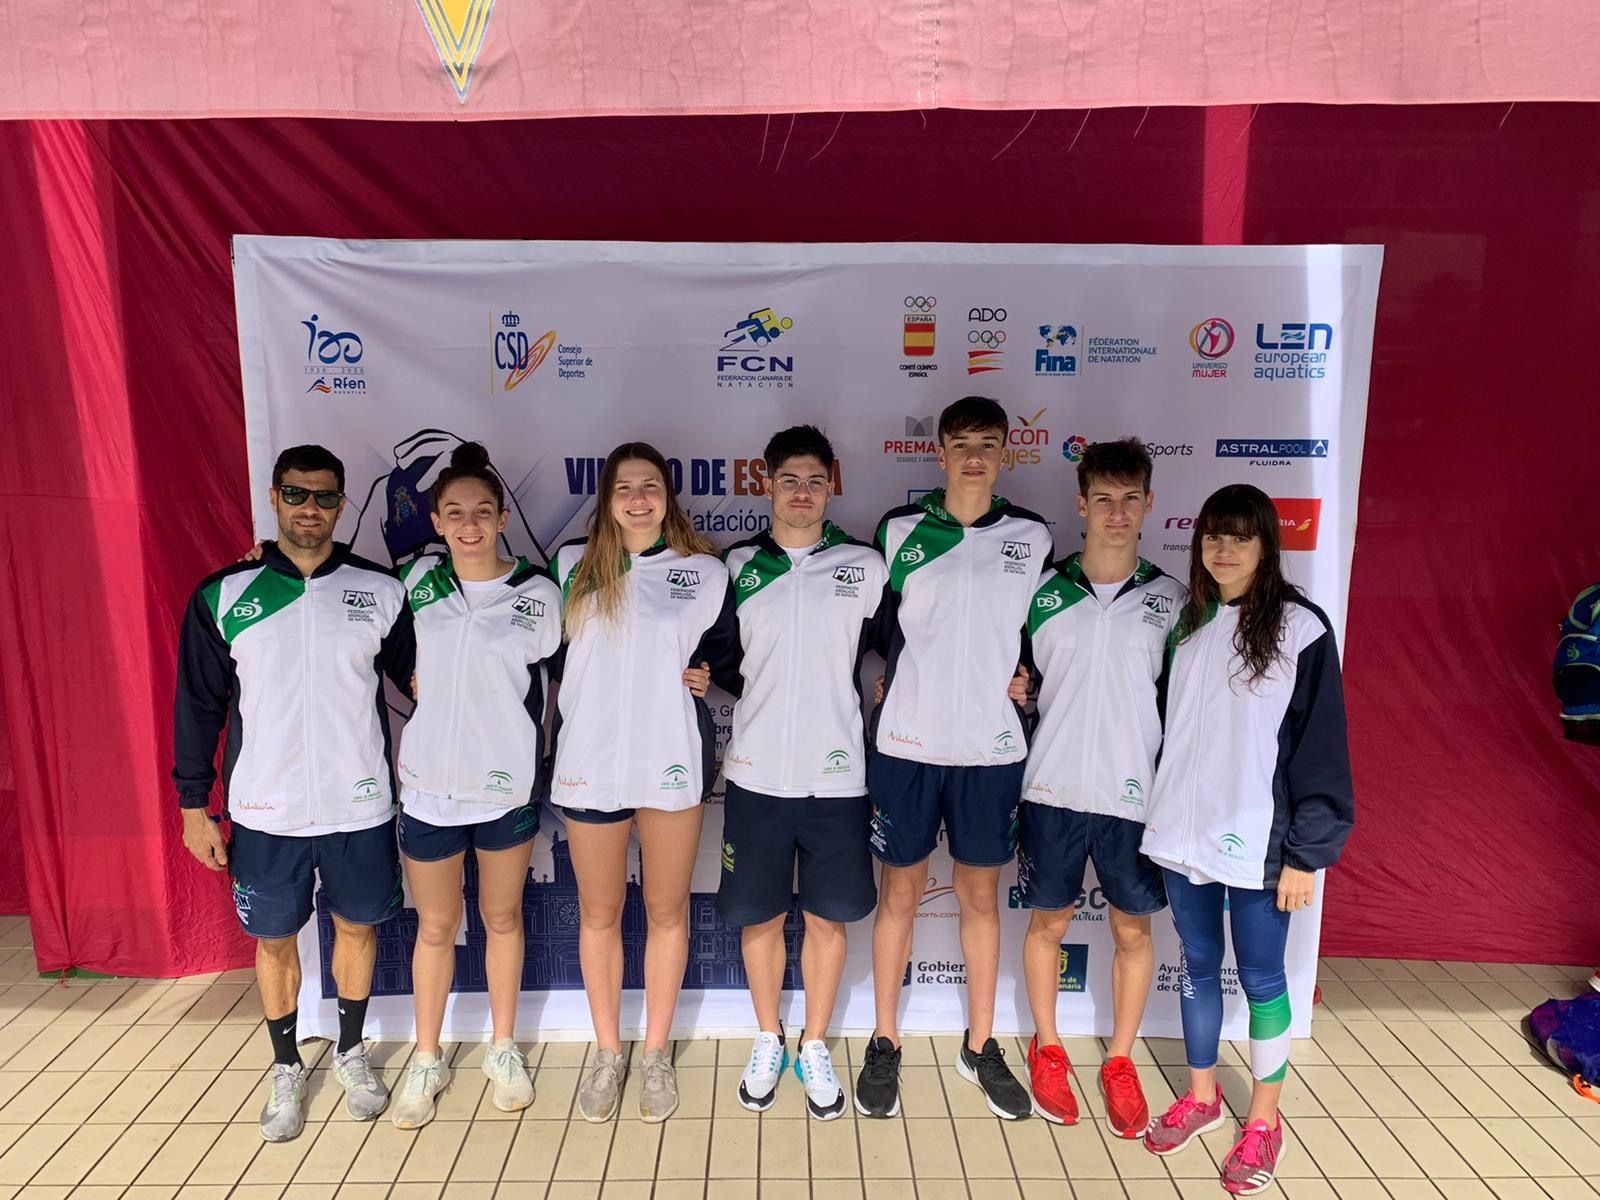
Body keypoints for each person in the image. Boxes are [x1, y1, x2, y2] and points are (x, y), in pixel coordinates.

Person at [174, 444, 415, 1142]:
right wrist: (195, 806)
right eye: (296, 494)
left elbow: (427, 681)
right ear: (275, 498)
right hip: (265, 809)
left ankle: (350, 1052)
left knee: (357, 928)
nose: (310, 508)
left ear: (342, 506)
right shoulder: (223, 594)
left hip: (359, 804)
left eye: (324, 497)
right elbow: (197, 707)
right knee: (275, 938)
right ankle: (286, 1065)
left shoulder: (381, 590)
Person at [1139, 484, 1355, 1195]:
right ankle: (1204, 1096)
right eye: (1211, 536)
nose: (1223, 550)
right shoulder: (1189, 621)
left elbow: (1322, 751)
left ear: (1267, 545)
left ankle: (1263, 1123)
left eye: (1239, 537)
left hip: (1262, 844)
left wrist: (1306, 853)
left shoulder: (1302, 629)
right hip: (1183, 834)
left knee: (1262, 980)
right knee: (1198, 966)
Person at [855, 396, 1053, 1121]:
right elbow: (869, 627)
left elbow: (1041, 632)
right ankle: (885, 1040)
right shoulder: (899, 531)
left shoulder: (1032, 537)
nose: (974, 456)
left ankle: (980, 1042)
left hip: (990, 749)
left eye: (988, 444)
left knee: (978, 898)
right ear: (938, 454)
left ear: (1007, 453)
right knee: (898, 896)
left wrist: (1027, 679)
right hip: (907, 745)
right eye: (961, 443)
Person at [693, 425, 886, 1120]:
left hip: (839, 780)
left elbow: (903, 647)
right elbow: (719, 662)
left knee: (831, 920)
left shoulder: (865, 565)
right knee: (762, 917)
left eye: (814, 481)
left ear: (830, 485)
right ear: (764, 484)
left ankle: (813, 1043)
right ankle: (768, 1035)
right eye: (788, 480)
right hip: (757, 774)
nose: (801, 493)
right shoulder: (735, 566)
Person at [548, 442, 736, 1124]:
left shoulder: (704, 572)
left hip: (668, 761)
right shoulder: (571, 566)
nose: (637, 498)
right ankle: (608, 1052)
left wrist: (710, 676)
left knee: (666, 913)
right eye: (624, 487)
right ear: (606, 498)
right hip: (590, 764)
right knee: (599, 915)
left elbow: (732, 657)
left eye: (649, 485)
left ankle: (654, 1051)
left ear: (667, 495)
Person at [384, 443, 564, 1129]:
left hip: (504, 787)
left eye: (481, 513)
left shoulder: (539, 594)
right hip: (428, 787)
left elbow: (584, 662)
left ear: (500, 517)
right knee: (435, 924)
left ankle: (502, 1048)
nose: (468, 525)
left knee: (503, 918)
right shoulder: (411, 583)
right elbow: (352, 614)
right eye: (454, 513)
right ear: (435, 519)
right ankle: (426, 1058)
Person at [1011, 437, 1186, 1134]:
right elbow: (1013, 682)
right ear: (1082, 505)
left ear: (1149, 505)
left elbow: (1182, 704)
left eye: (1130, 500)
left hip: (1132, 798)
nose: (1117, 513)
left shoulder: (1171, 600)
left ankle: (1119, 1060)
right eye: (1104, 500)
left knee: (1131, 931)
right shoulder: (1043, 593)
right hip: (1050, 788)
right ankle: (1048, 1048)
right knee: (1048, 923)